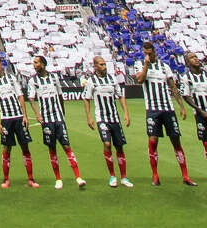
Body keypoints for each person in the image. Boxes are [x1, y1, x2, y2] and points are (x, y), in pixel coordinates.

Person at [134, 41, 195, 186]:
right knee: (153, 141)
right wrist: (146, 65)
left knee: (176, 141)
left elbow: (173, 86)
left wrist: (181, 106)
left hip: (168, 109)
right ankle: (155, 175)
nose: (148, 55)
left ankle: (185, 176)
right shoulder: (140, 65)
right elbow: (140, 80)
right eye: (146, 53)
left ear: (154, 51)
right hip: (152, 110)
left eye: (150, 53)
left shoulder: (164, 66)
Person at [27, 55, 85, 189]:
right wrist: (37, 114)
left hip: (58, 118)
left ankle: (78, 176)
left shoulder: (54, 78)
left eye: (36, 63)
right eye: (33, 63)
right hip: (46, 120)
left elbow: (60, 96)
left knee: (66, 146)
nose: (34, 65)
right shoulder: (33, 81)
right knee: (52, 148)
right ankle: (58, 179)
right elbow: (31, 98)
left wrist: (63, 114)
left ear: (43, 64)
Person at [0, 55, 38, 188]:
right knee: (7, 148)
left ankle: (31, 179)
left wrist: (25, 116)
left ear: (1, 64)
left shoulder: (11, 78)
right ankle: (6, 179)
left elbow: (20, 96)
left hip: (19, 117)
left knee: (25, 146)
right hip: (5, 120)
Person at [83, 55, 132, 188]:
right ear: (95, 66)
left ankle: (124, 177)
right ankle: (112, 176)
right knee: (107, 143)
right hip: (102, 118)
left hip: (114, 118)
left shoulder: (112, 79)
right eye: (101, 64)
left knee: (120, 146)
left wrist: (126, 113)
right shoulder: (91, 81)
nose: (104, 67)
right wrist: (89, 117)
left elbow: (120, 96)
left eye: (105, 64)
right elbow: (86, 99)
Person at [180, 51, 207, 162]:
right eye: (192, 58)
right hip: (201, 114)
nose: (196, 59)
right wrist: (200, 110)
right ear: (187, 62)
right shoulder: (186, 78)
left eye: (196, 57)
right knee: (205, 143)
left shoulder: (206, 74)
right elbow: (186, 96)